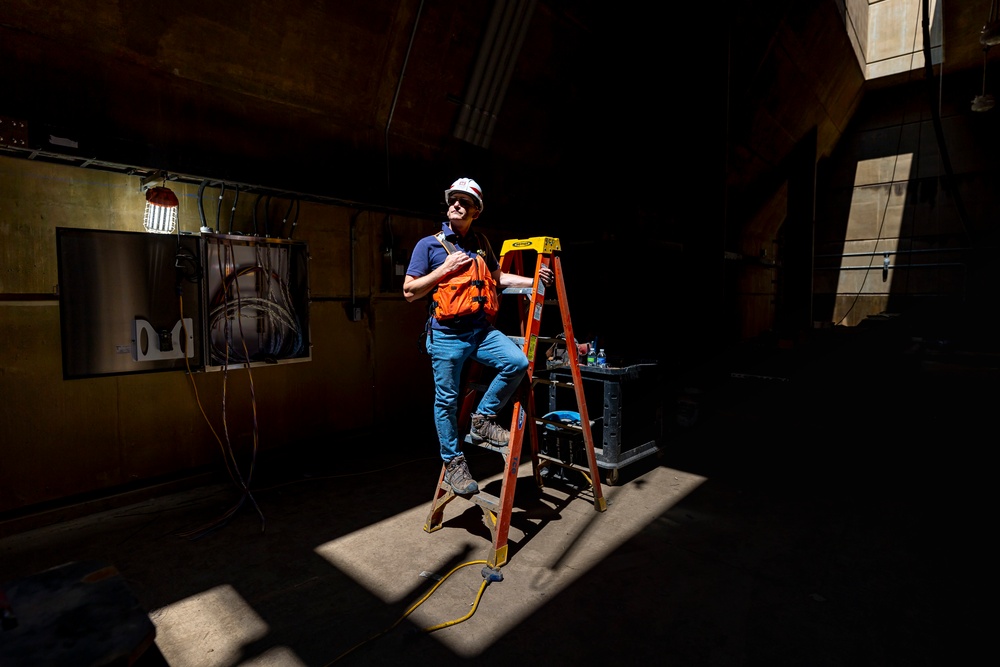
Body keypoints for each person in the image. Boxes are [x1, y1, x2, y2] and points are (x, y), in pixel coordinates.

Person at [404, 177, 553, 495]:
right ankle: (454, 464)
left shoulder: (481, 242)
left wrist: (532, 279)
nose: (456, 205)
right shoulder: (428, 246)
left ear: (476, 211)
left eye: (464, 202)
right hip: (446, 336)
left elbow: (497, 278)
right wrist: (443, 269)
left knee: (516, 361)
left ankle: (482, 419)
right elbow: (409, 291)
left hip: (480, 331)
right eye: (453, 200)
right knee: (446, 401)